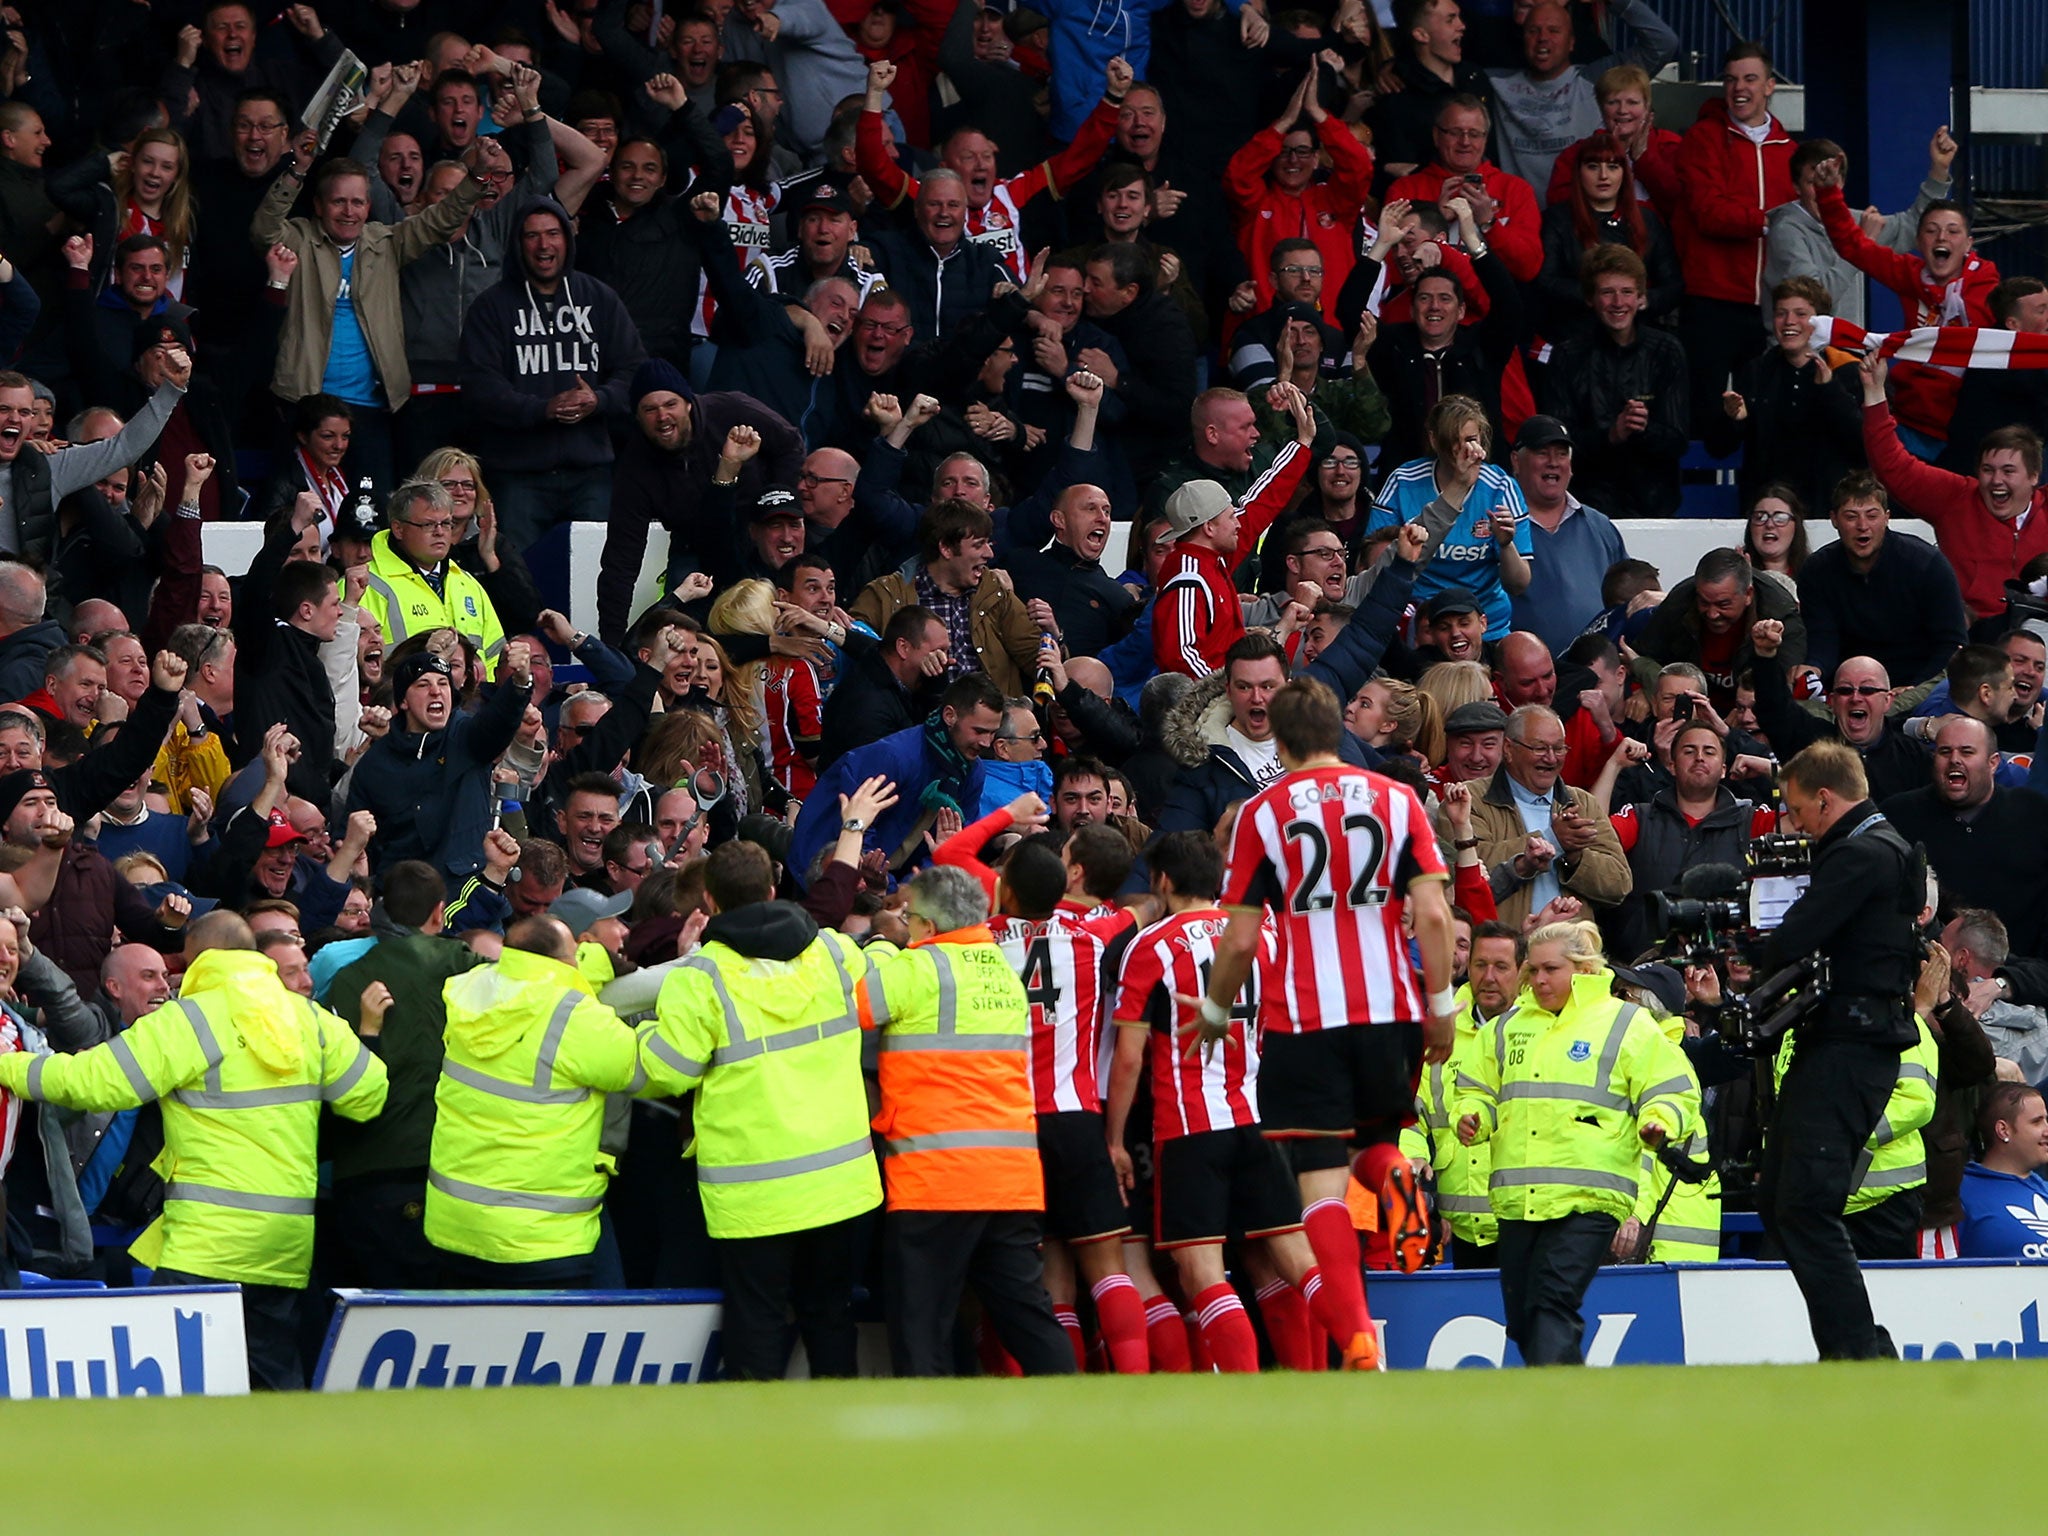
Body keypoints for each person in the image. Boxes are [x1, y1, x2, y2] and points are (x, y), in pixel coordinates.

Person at [1187, 675, 1460, 1371]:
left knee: (1318, 1184)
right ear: (1338, 727)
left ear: (1277, 739)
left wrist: (1216, 1011)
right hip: (1390, 1009)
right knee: (1373, 1145)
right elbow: (1433, 915)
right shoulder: (1399, 800)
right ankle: (1398, 1171)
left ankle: (1359, 1340)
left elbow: (1241, 938)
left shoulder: (1260, 813)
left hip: (1305, 1019)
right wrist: (1439, 1006)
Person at [0, 909, 387, 1389]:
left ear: (200, 958)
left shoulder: (192, 1020)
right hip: (285, 1247)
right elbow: (369, 1095)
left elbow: (93, 1083)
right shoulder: (308, 1018)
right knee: (275, 1392)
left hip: (206, 1247)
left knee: (170, 1393)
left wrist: (10, 1066)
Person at [1104, 830, 1360, 1372]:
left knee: (1202, 1272)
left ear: (1163, 881)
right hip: (1260, 1117)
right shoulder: (1262, 937)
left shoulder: (1148, 946)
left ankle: (1243, 1400)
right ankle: (1359, 1349)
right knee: (1294, 1261)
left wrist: (1114, 1139)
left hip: (1190, 1128)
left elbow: (1127, 1058)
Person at [637, 839, 883, 1380]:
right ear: (773, 889)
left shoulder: (697, 978)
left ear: (710, 902)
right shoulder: (835, 953)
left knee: (757, 1327)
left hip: (753, 1192)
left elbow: (667, 1071)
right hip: (841, 1183)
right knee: (831, 1321)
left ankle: (763, 1453)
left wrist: (642, 1032)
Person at [853, 864, 1075, 1377]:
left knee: (921, 1323)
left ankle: (930, 1441)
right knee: (1027, 1317)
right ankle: (1076, 1414)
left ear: (927, 927)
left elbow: (852, 1006)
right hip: (1011, 1176)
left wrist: (880, 945)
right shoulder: (1003, 971)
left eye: (909, 918)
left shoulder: (917, 968)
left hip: (935, 1179)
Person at [1454, 920, 1696, 1364]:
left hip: (1590, 1195)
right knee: (1525, 1318)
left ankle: (1558, 1408)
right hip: (1518, 1198)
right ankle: (1571, 1400)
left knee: (1551, 1301)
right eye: (1534, 970)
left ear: (1583, 969)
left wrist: (1659, 1121)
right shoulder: (1506, 1029)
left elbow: (1673, 1089)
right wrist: (1471, 1117)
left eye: (1552, 969)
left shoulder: (1627, 1024)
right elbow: (1476, 1089)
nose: (1540, 980)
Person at [1761, 740, 1923, 1359]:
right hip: (1844, 1042)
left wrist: (1750, 957)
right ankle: (1855, 1349)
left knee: (1804, 1205)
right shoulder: (1882, 847)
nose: (1795, 825)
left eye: (1798, 811)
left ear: (1826, 799)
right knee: (1785, 1200)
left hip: (1849, 1047)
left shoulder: (1860, 855)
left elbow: (1795, 937)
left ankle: (1860, 1353)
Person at [424, 914, 641, 1287]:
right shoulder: (576, 1017)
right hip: (542, 1239)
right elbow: (634, 1068)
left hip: (456, 1228)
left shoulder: (469, 990)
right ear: (563, 963)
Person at [323, 859, 485, 1289]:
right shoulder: (463, 964)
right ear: (439, 913)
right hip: (438, 1165)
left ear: (378, 910)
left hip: (360, 1172)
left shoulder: (345, 980)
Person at [457, 197, 649, 551]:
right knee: (521, 578)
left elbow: (635, 371)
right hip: (518, 476)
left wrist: (599, 399)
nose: (544, 245)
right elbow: (480, 388)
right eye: (532, 236)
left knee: (596, 578)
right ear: (518, 243)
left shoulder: (599, 298)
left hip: (591, 474)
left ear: (568, 238)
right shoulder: (491, 307)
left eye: (552, 233)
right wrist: (542, 409)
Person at [1812, 156, 1996, 458]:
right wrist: (1828, 193)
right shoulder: (1910, 275)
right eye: (1932, 230)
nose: (1941, 237)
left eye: (1952, 231)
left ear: (1968, 244)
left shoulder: (1991, 289)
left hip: (1969, 430)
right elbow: (1854, 246)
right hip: (1911, 424)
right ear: (1919, 242)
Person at [1859, 354, 2048, 625]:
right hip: (1973, 645)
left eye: (2008, 471)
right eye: (1987, 470)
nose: (1996, 480)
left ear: (2033, 477)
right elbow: (1892, 466)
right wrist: (1875, 391)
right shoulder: (1957, 498)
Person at [1671, 41, 1795, 437]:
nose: (1739, 88)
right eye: (1730, 79)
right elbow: (1709, 211)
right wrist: (1767, 221)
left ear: (1770, 86)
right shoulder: (1703, 138)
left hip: (1769, 304)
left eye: (1750, 79)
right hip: (1712, 297)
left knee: (1760, 410)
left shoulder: (1790, 151)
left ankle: (1761, 499)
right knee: (1703, 408)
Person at [1151, 383, 1313, 678]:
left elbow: (1261, 505)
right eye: (1230, 517)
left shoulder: (1213, 560)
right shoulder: (1188, 575)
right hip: (1204, 709)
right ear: (1209, 527)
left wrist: (1302, 444)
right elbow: (1183, 658)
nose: (1239, 522)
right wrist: (1230, 690)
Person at [1349, 197, 1523, 469]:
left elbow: (1509, 304)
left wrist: (1472, 240)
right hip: (1408, 477)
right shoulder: (1394, 347)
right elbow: (1349, 310)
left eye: (1445, 299)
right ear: (1411, 307)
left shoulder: (1481, 347)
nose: (1434, 307)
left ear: (1461, 310)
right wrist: (1381, 245)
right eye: (1425, 298)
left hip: (1478, 477)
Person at [1447, 703, 1633, 929]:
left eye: (1559, 748)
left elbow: (1619, 885)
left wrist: (1575, 858)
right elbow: (1468, 878)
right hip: (1503, 953)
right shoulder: (1468, 800)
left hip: (1571, 953)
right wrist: (1552, 840)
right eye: (1539, 748)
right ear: (1508, 748)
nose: (1551, 758)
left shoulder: (1583, 803)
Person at [1402, 918, 1520, 1268]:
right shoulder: (1441, 1027)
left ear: (1521, 971)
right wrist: (1414, 1158)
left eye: (1501, 967)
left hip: (1522, 1219)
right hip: (1455, 1224)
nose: (1489, 977)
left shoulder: (1543, 1031)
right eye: (1480, 965)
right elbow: (1414, 1115)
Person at [1369, 393, 1533, 642]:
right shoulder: (1404, 481)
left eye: (1471, 440)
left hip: (1486, 625)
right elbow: (1373, 566)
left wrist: (1506, 544)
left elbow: (1519, 584)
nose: (1463, 450)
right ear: (1434, 440)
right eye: (1453, 440)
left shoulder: (1501, 487)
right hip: (1421, 623)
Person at [1540, 244, 1687, 518]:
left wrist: (1643, 429)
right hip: (1588, 505)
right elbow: (1558, 441)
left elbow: (1678, 440)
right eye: (1607, 292)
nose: (1618, 302)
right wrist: (1611, 435)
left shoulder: (1666, 351)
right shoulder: (1567, 355)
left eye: (1627, 292)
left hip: (1654, 506)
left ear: (1640, 297)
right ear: (1590, 298)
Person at [1883, 716, 2048, 961]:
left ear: (1993, 763)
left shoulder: (2035, 814)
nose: (1955, 760)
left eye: (1967, 752)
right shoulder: (1898, 816)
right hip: (1923, 966)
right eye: (1945, 751)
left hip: (2023, 977)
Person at [1764, 129, 1956, 333]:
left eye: (1830, 180)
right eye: (1813, 182)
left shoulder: (1855, 221)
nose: (1821, 189)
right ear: (1796, 186)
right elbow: (1815, 299)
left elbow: (1914, 227)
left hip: (1848, 349)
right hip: (1800, 353)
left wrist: (1939, 170)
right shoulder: (1786, 229)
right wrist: (1861, 242)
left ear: (1842, 183)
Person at [1484, 1, 1676, 204]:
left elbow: (1663, 43)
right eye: (1533, 31)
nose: (1543, 38)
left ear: (1572, 42)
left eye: (1554, 30)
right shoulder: (1495, 83)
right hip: (1519, 221)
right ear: (1523, 38)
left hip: (1579, 222)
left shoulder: (1597, 79)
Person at [1711, 276, 1867, 516]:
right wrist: (1734, 419)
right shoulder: (1757, 370)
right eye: (1781, 313)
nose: (1789, 321)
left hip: (1829, 511)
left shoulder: (1849, 369)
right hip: (1769, 514)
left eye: (1800, 314)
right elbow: (1718, 448)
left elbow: (1865, 446)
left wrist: (1829, 389)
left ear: (1822, 321)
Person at [1796, 471, 1967, 690]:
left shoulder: (1927, 564)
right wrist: (1814, 669)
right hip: (1848, 687)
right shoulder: (1816, 570)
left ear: (1887, 517)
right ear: (1834, 519)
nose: (1862, 525)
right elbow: (1823, 638)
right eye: (1851, 516)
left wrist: (1915, 689)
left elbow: (1952, 644)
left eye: (1872, 515)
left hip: (1919, 683)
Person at [1507, 415, 1626, 654]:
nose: (1553, 462)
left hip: (1597, 677)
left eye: (1562, 454)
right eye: (1542, 453)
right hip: (1524, 680)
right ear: (1516, 462)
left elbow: (1627, 598)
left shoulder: (1600, 527)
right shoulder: (1498, 527)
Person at [1635, 548, 1803, 709]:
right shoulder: (1679, 603)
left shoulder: (1781, 615)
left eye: (1723, 604)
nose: (1713, 614)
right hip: (1690, 710)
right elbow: (1646, 654)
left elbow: (1786, 688)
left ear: (1748, 595)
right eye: (1704, 603)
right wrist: (1644, 690)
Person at [1955, 1084, 2048, 1257]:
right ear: (2003, 1130)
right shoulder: (1959, 1193)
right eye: (2037, 1122)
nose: (2046, 1130)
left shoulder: (2044, 1189)